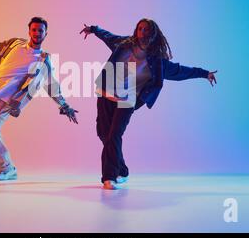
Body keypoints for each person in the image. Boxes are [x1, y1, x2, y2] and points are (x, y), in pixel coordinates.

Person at [80, 18, 217, 190]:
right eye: (140, 29)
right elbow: (108, 36)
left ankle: (109, 177)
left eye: (147, 30)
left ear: (153, 35)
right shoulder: (123, 44)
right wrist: (93, 29)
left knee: (115, 134)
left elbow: (180, 71)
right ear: (136, 31)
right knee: (104, 134)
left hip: (128, 99)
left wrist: (205, 74)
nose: (143, 32)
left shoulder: (157, 61)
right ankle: (122, 170)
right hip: (106, 93)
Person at [0, 17, 78, 183]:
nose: (36, 33)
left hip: (5, 101)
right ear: (29, 31)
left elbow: (52, 86)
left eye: (40, 30)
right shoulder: (14, 44)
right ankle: (8, 168)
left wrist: (65, 105)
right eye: (34, 30)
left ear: (45, 34)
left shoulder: (43, 60)